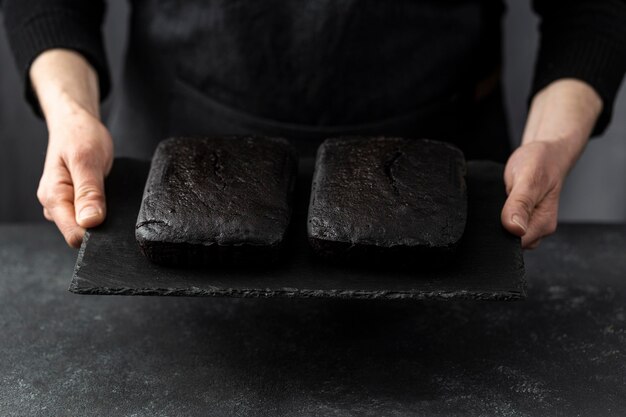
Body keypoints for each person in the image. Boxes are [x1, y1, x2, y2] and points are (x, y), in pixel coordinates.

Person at [2, 0, 625, 250]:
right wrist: (71, 112)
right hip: (178, 162)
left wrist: (551, 140)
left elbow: (593, 10)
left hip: (440, 169)